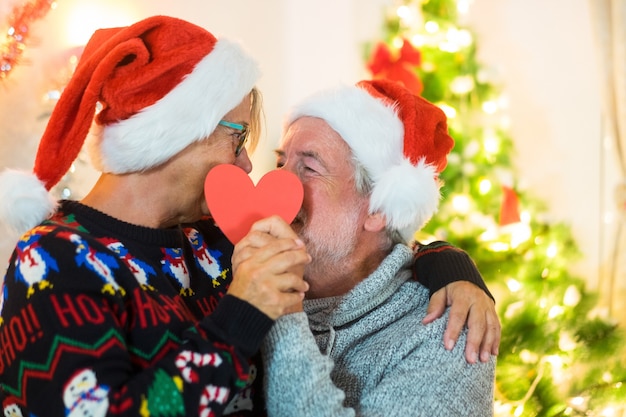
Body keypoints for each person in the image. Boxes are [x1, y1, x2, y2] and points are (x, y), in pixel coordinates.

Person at [0, 16, 497, 417]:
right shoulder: (53, 260)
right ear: (178, 133)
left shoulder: (210, 245)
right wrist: (244, 314)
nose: (249, 169)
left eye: (307, 165)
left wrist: (450, 265)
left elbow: (381, 248)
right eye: (239, 140)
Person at [256, 79, 496, 416]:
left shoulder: (446, 333)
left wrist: (282, 307)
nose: (276, 183)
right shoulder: (234, 277)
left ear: (378, 210)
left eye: (308, 168)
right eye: (281, 162)